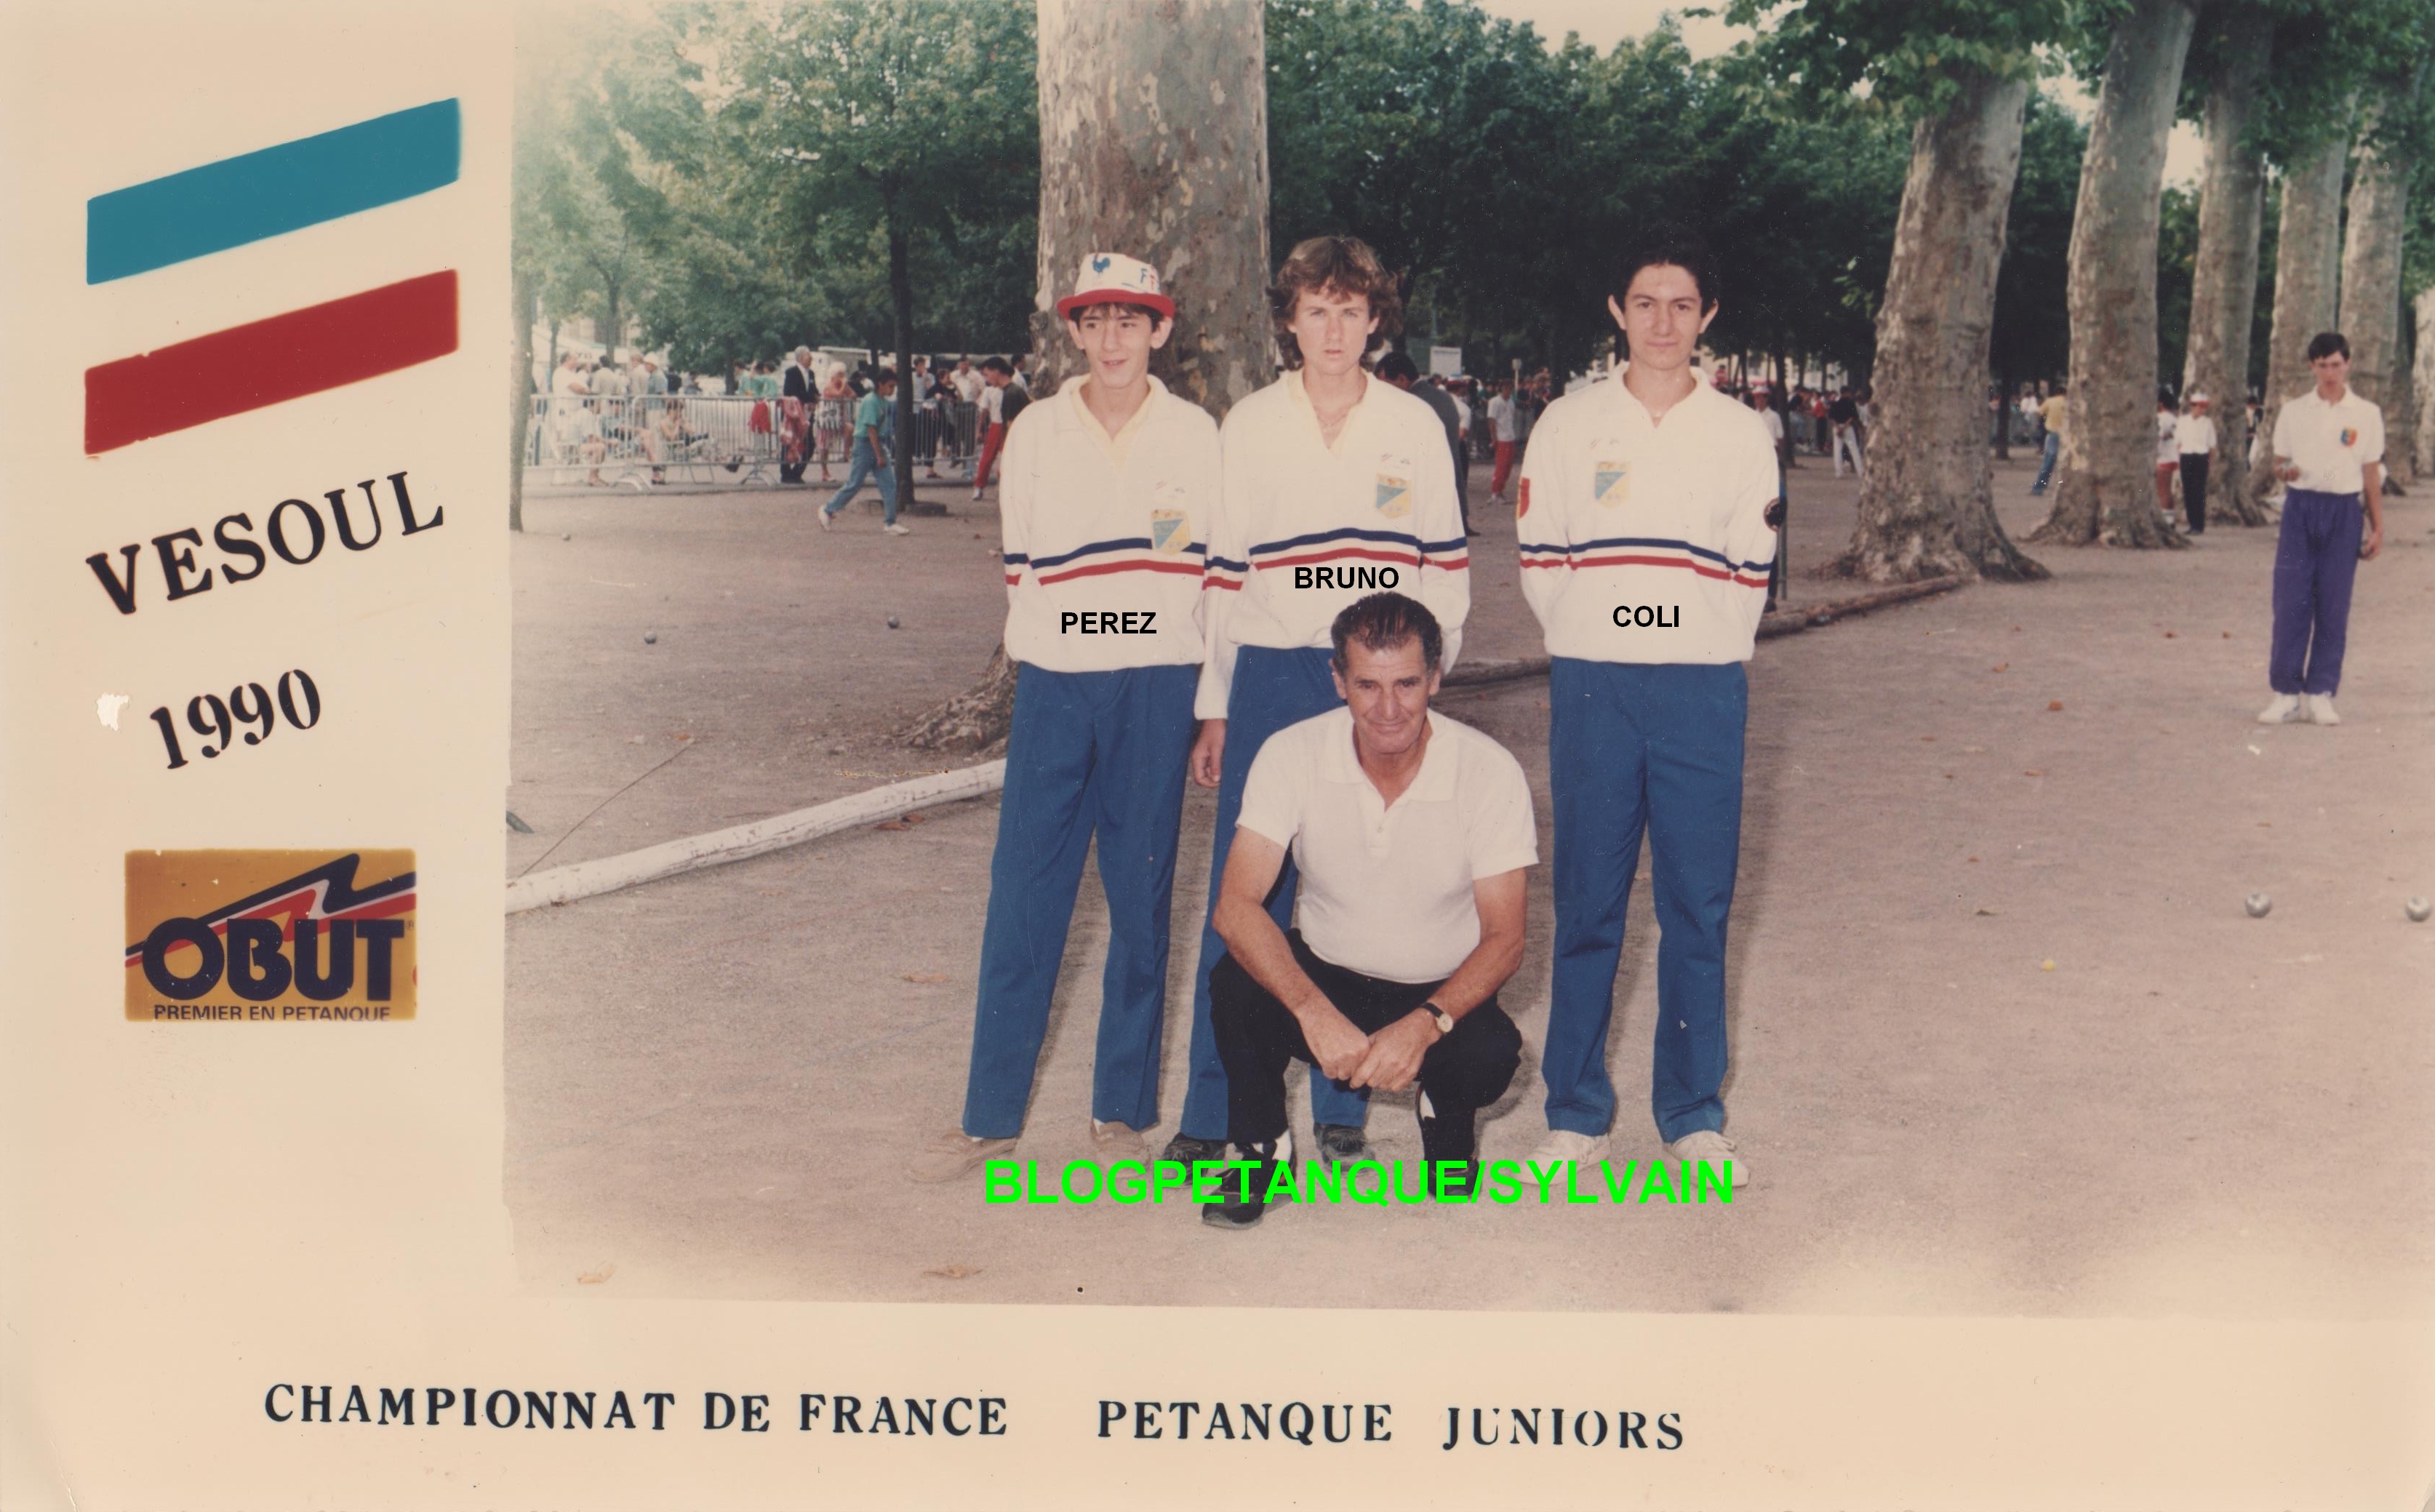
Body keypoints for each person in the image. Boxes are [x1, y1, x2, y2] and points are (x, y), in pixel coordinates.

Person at [909, 252, 1220, 1183]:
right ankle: (991, 1114)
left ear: (1161, 329)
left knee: (1140, 895)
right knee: (1026, 893)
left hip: (1158, 686)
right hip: (1057, 684)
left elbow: (1213, 582)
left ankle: (1120, 1109)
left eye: (1133, 319)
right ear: (1074, 331)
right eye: (1097, 321)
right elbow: (1023, 570)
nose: (1115, 338)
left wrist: (1208, 708)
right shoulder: (1038, 431)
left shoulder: (1200, 434)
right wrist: (1065, 652)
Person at [1167, 233, 1472, 1169]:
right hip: (1272, 667)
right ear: (1288, 321)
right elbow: (1219, 581)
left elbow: (1446, 571)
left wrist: (1418, 693)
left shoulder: (1416, 423)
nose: (1333, 329)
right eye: (1315, 311)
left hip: (1375, 680)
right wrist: (1215, 705)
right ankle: (1217, 1113)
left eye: (1351, 310)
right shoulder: (1250, 424)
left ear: (1376, 319)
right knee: (1249, 887)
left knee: (1366, 881)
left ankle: (1350, 1097)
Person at [1514, 225, 1778, 1190]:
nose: (1663, 322)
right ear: (1618, 313)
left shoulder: (1741, 431)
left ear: (1707, 317)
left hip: (1701, 688)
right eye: (1645, 302)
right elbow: (1543, 562)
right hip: (1595, 684)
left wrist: (1681, 635)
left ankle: (1692, 1112)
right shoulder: (1569, 425)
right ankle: (1574, 1108)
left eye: (1682, 304)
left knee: (1697, 903)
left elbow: (1749, 574)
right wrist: (1605, 630)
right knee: (1587, 898)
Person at [1202, 593, 1531, 1227]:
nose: (1388, 709)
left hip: (1436, 993)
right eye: (1367, 685)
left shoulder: (1489, 771)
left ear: (1435, 676)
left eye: (1407, 684)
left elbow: (1505, 939)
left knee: (1489, 1053)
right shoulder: (1290, 752)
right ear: (1338, 680)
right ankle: (1260, 1148)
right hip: (1331, 976)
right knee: (1236, 978)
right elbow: (1234, 906)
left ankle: (1445, 1109)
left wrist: (1427, 1023)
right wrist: (1311, 1011)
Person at [2258, 331, 2384, 727]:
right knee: (2291, 601)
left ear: (2348, 364)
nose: (2330, 372)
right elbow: (2278, 463)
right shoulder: (2295, 411)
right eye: (2322, 365)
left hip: (2344, 511)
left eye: (2336, 364)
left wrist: (2378, 526)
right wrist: (2286, 471)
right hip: (2300, 509)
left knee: (2333, 604)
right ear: (2312, 367)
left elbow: (2370, 472)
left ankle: (2321, 692)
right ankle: (2286, 693)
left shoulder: (2366, 414)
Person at [1378, 352, 1470, 536]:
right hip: (1449, 497)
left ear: (1402, 379)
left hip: (1421, 503)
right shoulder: (1441, 397)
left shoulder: (1411, 404)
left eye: (1384, 384)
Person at [818, 367, 908, 535]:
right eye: (890, 386)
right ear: (881, 384)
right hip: (865, 445)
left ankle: (890, 522)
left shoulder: (882, 402)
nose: (893, 390)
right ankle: (828, 509)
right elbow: (870, 429)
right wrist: (879, 455)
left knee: (889, 484)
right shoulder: (871, 401)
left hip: (875, 444)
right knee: (854, 484)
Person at [971, 357, 1027, 495]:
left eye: (987, 374)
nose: (986, 379)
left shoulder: (1011, 394)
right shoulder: (1013, 391)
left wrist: (1005, 457)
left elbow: (1011, 427)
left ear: (996, 371)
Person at [2176, 391, 2217, 535]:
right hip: (2186, 456)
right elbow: (2178, 442)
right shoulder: (2182, 421)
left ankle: (2199, 525)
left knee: (2199, 491)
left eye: (2204, 407)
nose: (2202, 410)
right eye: (2199, 406)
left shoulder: (2207, 423)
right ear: (2192, 406)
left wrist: (2210, 463)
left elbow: (2212, 445)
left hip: (2201, 457)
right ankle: (2191, 522)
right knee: (2187, 490)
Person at [779, 347, 817, 484]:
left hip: (807, 414)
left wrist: (816, 397)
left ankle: (796, 473)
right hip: (793, 414)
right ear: (801, 358)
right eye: (809, 356)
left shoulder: (811, 373)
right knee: (789, 442)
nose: (811, 359)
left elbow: (813, 390)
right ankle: (785, 473)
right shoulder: (791, 373)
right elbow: (792, 391)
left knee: (810, 444)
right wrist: (810, 399)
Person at [1487, 380, 1519, 505]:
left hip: (1511, 437)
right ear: (1501, 389)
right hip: (1501, 439)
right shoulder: (1495, 402)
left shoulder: (1511, 402)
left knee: (1508, 468)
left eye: (1510, 388)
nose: (1508, 391)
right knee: (1501, 467)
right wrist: (1494, 439)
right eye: (1506, 388)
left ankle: (1500, 491)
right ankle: (1495, 493)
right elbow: (1491, 421)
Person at [2031, 383, 2067, 494]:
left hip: (2052, 434)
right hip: (2066, 435)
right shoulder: (2069, 402)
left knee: (2048, 462)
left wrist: (2047, 417)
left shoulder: (2050, 401)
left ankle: (2039, 488)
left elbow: (2039, 412)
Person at [2154, 387, 2182, 527]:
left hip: (2163, 457)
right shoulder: (2174, 418)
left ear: (2160, 403)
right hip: (2174, 456)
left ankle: (2167, 519)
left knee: (2162, 490)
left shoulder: (2160, 418)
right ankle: (2170, 517)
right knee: (2168, 490)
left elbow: (2158, 438)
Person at [1828, 386, 1865, 481]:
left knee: (1837, 450)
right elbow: (1853, 417)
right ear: (1847, 393)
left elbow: (1832, 417)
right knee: (1854, 449)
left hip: (1837, 428)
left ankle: (1839, 472)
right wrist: (1844, 427)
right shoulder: (1850, 403)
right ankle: (1860, 472)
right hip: (1848, 428)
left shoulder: (1834, 403)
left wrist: (1838, 427)